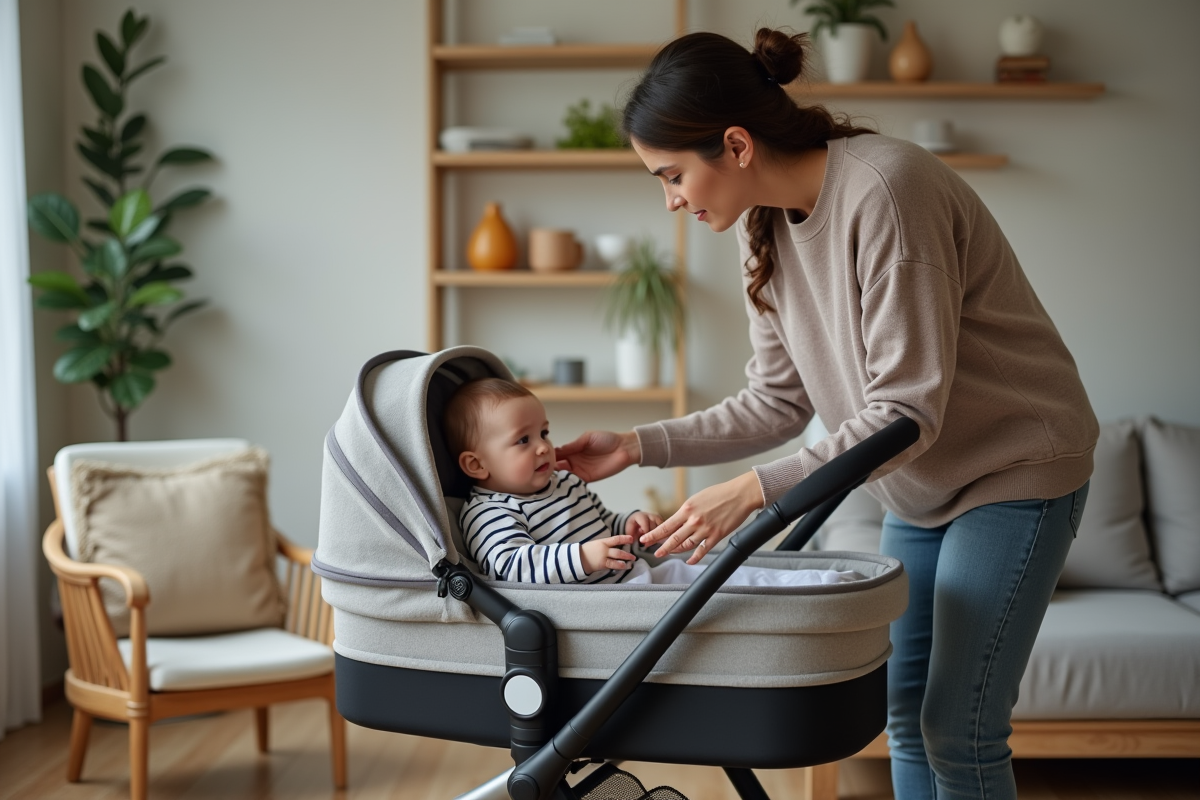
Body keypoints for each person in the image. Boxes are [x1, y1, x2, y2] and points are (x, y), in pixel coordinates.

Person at [552, 29, 1097, 800]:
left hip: (1014, 471)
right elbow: (777, 399)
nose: (670, 199)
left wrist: (752, 491)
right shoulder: (762, 224)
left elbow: (908, 410)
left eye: (672, 175)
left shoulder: (887, 190)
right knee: (904, 716)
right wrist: (639, 445)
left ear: (735, 145)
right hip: (915, 487)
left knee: (959, 727)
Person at [445, 377, 861, 587]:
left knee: (724, 577)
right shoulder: (490, 513)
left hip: (635, 583)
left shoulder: (562, 485)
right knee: (717, 589)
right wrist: (585, 558)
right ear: (476, 465)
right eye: (523, 440)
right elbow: (510, 567)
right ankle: (809, 589)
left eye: (544, 433)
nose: (543, 449)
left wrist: (628, 523)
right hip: (601, 615)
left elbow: (603, 523)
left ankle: (811, 584)